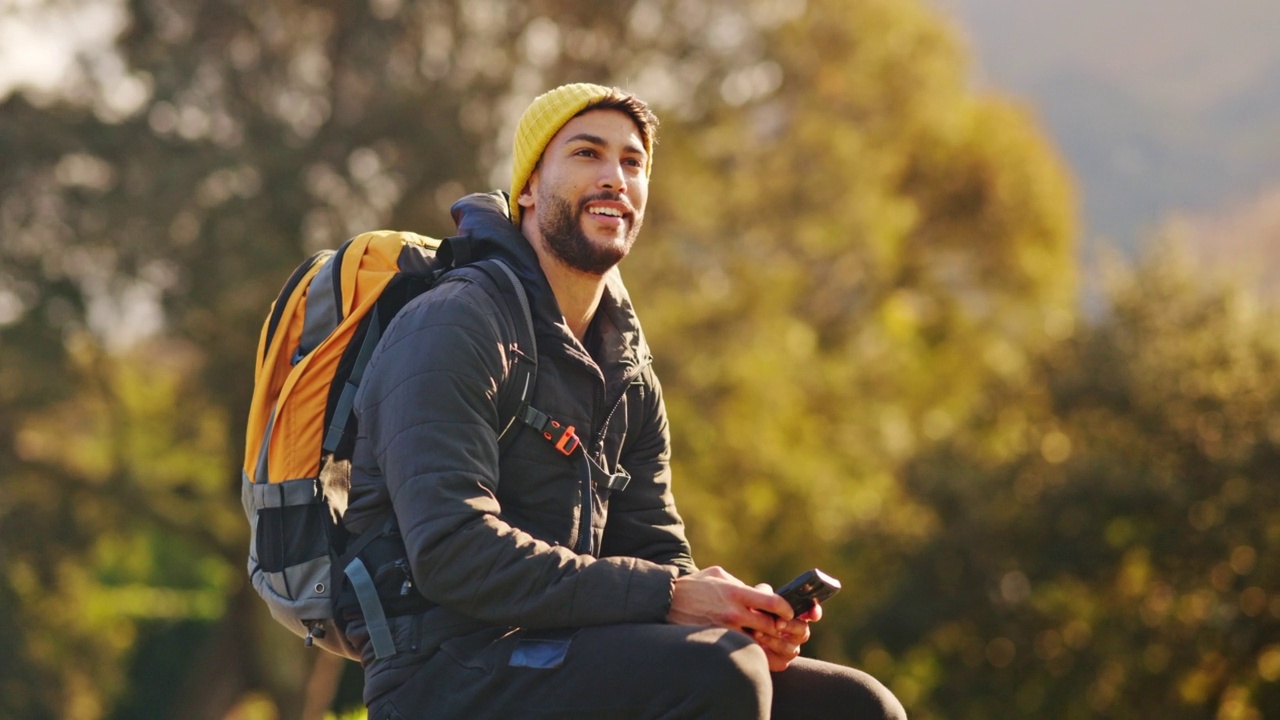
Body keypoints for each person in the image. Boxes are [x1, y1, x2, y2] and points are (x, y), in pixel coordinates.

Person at [341, 82, 907, 719]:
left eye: (632, 162)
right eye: (587, 154)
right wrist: (673, 598)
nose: (615, 177)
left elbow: (657, 551)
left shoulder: (629, 372)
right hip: (442, 674)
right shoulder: (451, 325)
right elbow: (451, 552)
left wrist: (739, 617)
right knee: (720, 671)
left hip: (567, 648)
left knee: (857, 706)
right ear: (527, 186)